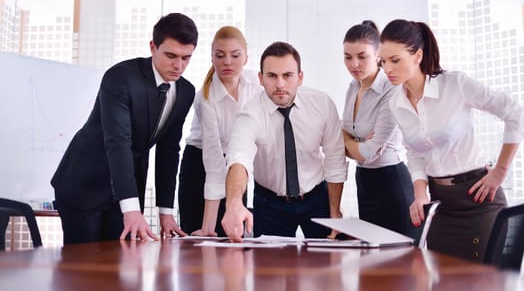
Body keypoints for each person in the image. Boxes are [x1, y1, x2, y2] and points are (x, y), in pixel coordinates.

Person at [379, 18, 524, 261]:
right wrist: (420, 193)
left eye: (395, 60)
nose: (387, 69)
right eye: (383, 61)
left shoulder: (455, 85)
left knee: (484, 282)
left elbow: (515, 114)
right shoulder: (396, 103)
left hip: (479, 199)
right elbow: (414, 152)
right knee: (444, 281)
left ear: (417, 56)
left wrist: (500, 171)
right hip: (441, 206)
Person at [51, 13, 199, 244]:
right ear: (153, 47)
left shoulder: (185, 92)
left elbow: (169, 151)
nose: (178, 66)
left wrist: (166, 212)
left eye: (186, 58)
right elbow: (118, 141)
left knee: (122, 267)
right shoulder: (120, 77)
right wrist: (131, 208)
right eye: (171, 55)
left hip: (126, 186)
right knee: (83, 269)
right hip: (84, 183)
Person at [221, 41, 348, 242]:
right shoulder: (250, 114)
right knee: (269, 270)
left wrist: (334, 212)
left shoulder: (322, 104)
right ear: (261, 79)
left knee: (326, 267)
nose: (280, 84)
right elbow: (239, 160)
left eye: (287, 75)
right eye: (272, 76)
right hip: (269, 202)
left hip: (316, 197)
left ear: (300, 77)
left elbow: (334, 159)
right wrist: (234, 204)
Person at [177, 26, 260, 236]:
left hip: (235, 165)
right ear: (212, 58)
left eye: (235, 55)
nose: (227, 62)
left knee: (233, 236)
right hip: (200, 165)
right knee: (201, 240)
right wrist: (207, 228)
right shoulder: (206, 98)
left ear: (246, 58)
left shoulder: (256, 84)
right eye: (220, 55)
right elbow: (213, 164)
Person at [341, 20, 416, 237]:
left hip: (392, 182)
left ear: (378, 55)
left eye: (361, 56)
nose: (354, 64)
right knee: (371, 263)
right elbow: (358, 149)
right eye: (347, 57)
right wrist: (357, 144)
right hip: (364, 181)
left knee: (399, 263)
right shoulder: (353, 87)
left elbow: (369, 153)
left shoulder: (392, 89)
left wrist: (346, 140)